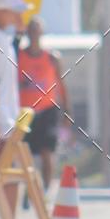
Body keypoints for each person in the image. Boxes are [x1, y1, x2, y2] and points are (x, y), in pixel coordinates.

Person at [0, 0, 32, 217]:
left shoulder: (2, 37)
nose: (20, 16)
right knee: (5, 177)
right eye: (15, 11)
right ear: (2, 11)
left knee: (9, 176)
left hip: (4, 119)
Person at [18, 17, 71, 201]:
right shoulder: (18, 56)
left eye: (37, 31)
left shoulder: (52, 58)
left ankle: (46, 190)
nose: (34, 34)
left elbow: (61, 85)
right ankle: (28, 192)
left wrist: (67, 111)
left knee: (47, 152)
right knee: (26, 156)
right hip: (25, 113)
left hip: (48, 109)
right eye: (31, 30)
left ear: (41, 34)